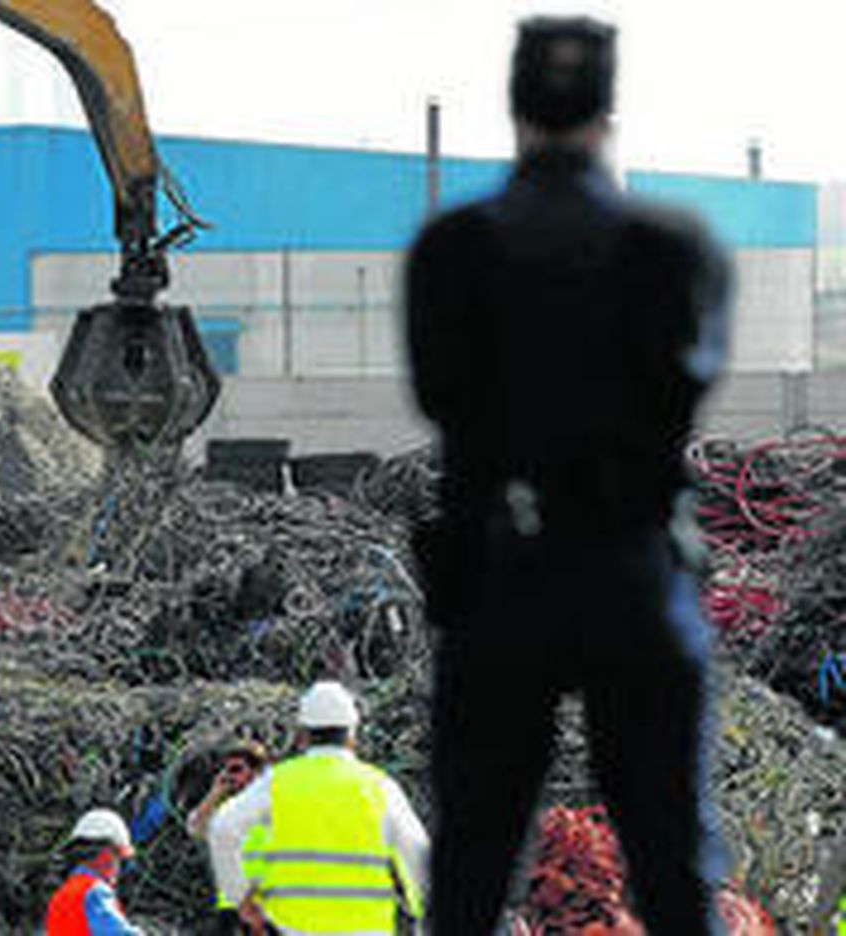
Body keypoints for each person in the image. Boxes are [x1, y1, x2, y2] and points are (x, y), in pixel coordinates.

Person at [404, 16, 733, 935]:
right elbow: (682, 388)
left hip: (500, 571)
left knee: (471, 868)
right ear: (609, 111)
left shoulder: (454, 249)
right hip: (635, 567)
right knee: (672, 863)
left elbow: (443, 398)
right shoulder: (671, 249)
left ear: (515, 109)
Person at [208, 681, 427, 934]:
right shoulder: (380, 787)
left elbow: (223, 828)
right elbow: (418, 857)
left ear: (303, 736)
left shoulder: (277, 783)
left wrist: (241, 899)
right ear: (352, 735)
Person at [186, 739, 273, 934]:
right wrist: (215, 793)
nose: (230, 776)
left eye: (236, 769)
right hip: (231, 905)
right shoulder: (227, 810)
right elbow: (195, 828)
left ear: (256, 772)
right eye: (227, 770)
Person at [45, 808, 145, 935]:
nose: (119, 868)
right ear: (105, 855)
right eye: (118, 857)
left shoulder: (61, 896)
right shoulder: (95, 892)